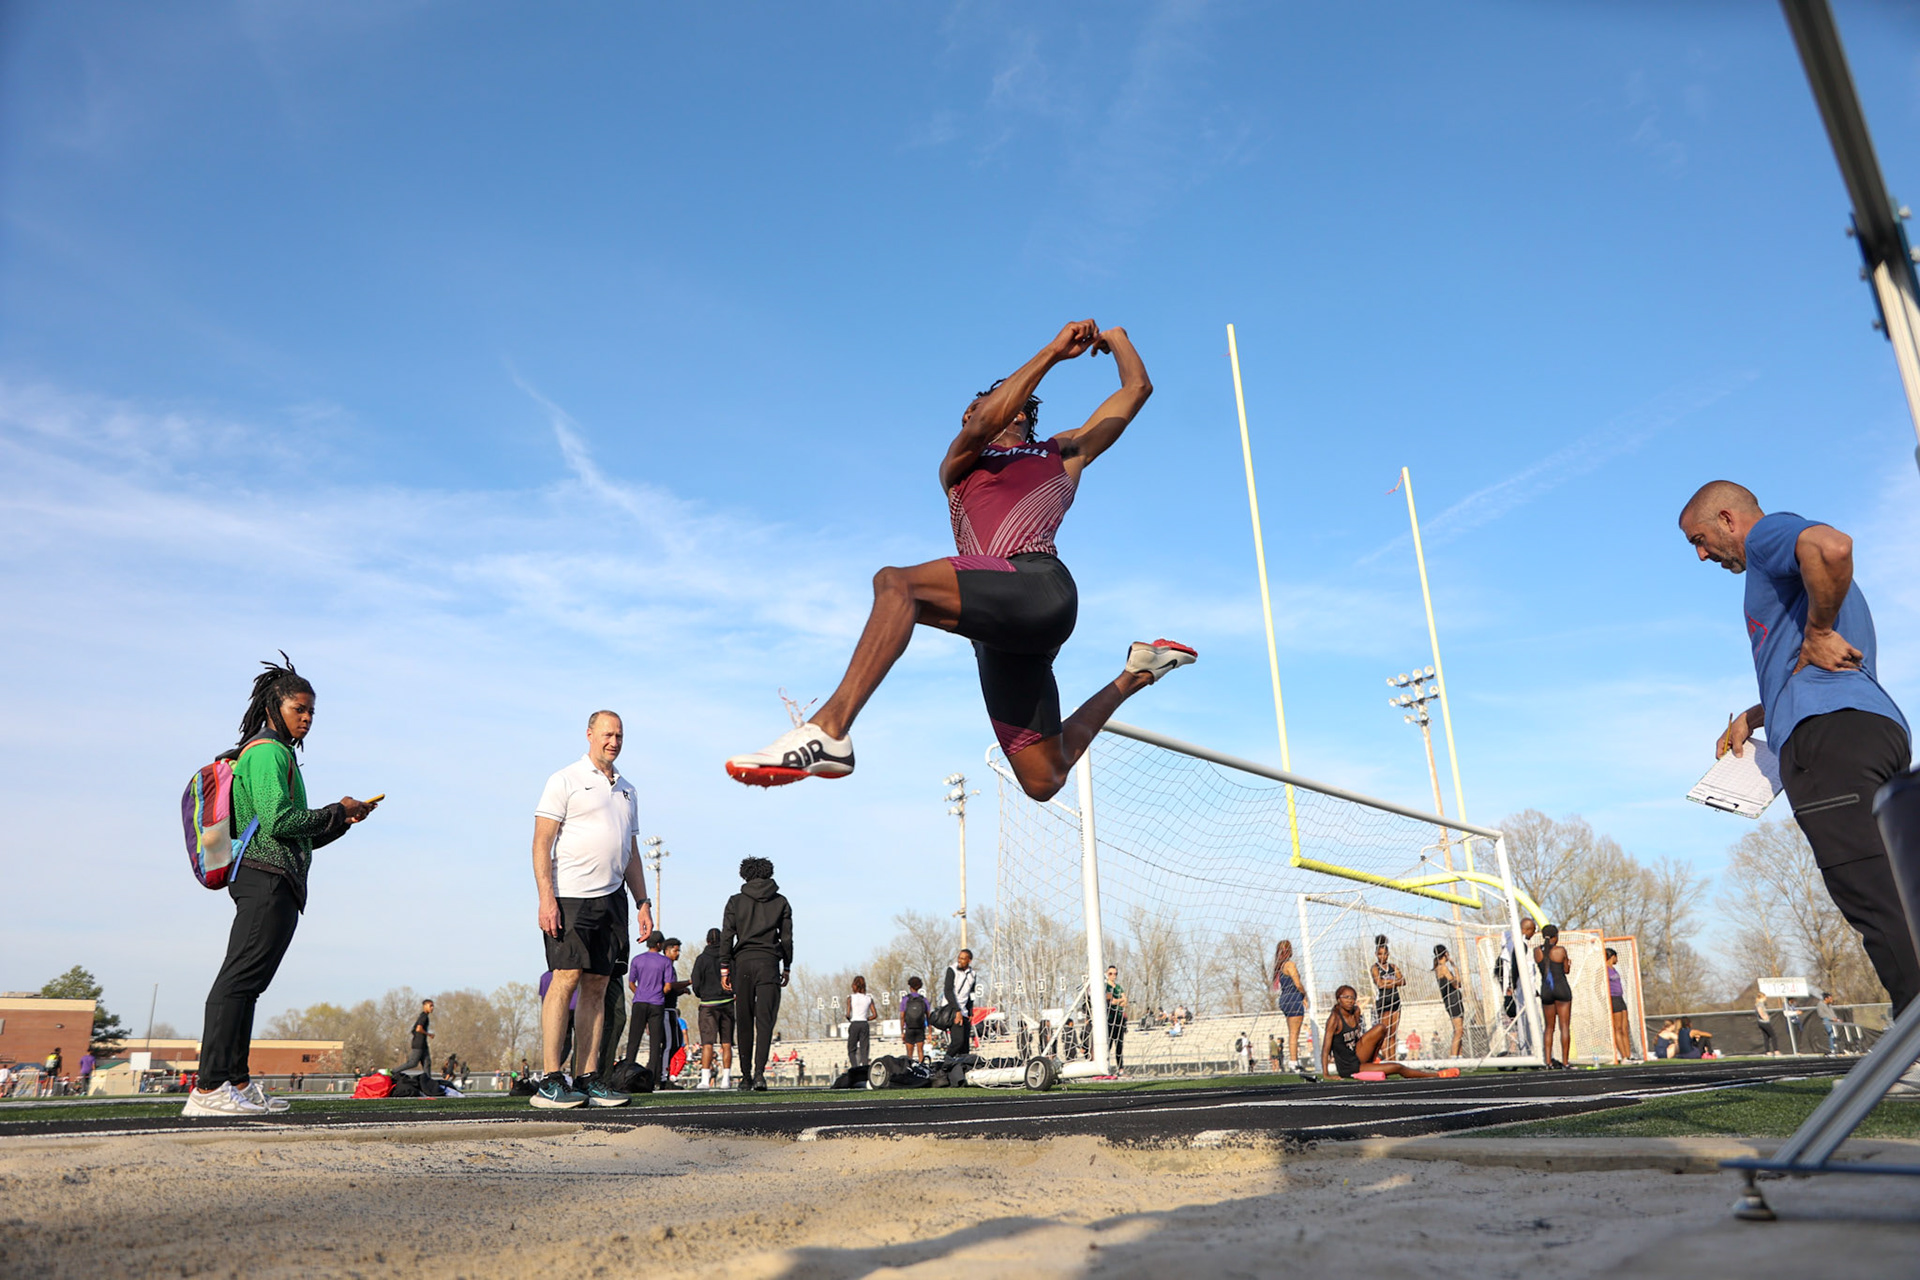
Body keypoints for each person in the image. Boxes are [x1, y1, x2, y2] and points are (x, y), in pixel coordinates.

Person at [725, 320, 1196, 803]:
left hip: (1039, 587)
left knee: (896, 584)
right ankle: (1139, 671)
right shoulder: (962, 464)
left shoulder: (1062, 451)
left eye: (990, 407)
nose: (974, 415)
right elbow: (981, 426)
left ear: (1022, 415)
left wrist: (1114, 337)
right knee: (1043, 780)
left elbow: (1137, 388)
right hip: (995, 633)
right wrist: (1052, 353)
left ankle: (829, 729)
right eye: (971, 411)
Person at [1680, 482, 1920, 1016]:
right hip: (1869, 729)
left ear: (1727, 518)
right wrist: (1758, 714)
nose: (1700, 554)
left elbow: (1832, 546)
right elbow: (1809, 666)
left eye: (1699, 539)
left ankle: (1915, 1043)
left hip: (1828, 737)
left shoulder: (1768, 536)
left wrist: (1817, 630)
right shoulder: (1786, 575)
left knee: (1872, 893)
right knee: (1901, 886)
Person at [186, 656, 378, 1118]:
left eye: (312, 711)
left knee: (248, 985)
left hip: (276, 877)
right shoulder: (267, 751)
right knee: (237, 981)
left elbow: (296, 833)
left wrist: (343, 820)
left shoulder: (281, 753)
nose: (307, 718)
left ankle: (236, 1082)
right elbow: (277, 820)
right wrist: (337, 807)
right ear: (275, 707)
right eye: (299, 709)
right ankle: (209, 1088)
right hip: (263, 878)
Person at [530, 710, 655, 1110]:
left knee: (598, 987)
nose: (613, 741)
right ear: (589, 735)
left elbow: (631, 851)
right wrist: (546, 897)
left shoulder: (628, 789)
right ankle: (551, 1080)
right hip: (569, 896)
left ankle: (587, 1078)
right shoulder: (564, 780)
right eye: (606, 734)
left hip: (612, 900)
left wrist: (642, 902)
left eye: (619, 735)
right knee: (564, 978)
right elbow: (540, 844)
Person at [718, 856, 792, 1092]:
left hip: (743, 964)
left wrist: (724, 966)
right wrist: (787, 964)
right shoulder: (781, 901)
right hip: (769, 963)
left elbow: (727, 935)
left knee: (745, 1021)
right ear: (769, 873)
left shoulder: (735, 902)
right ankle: (760, 1074)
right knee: (765, 1021)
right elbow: (787, 938)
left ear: (745, 874)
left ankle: (746, 1076)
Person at [1321, 986, 1454, 1081]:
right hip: (1350, 1067)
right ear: (1338, 999)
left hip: (1357, 1054)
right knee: (1397, 1067)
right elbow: (1326, 1048)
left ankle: (1374, 1060)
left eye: (1353, 997)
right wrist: (1326, 1074)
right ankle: (1437, 1075)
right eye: (1346, 997)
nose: (1350, 1000)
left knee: (1381, 1027)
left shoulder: (1356, 1011)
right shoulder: (1334, 1019)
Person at [627, 931, 676, 1085]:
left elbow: (631, 983)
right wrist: (658, 994)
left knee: (633, 1040)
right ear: (659, 945)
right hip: (657, 1004)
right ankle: (653, 1078)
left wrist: (641, 993)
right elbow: (668, 986)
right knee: (655, 1043)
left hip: (639, 1002)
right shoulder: (665, 962)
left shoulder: (637, 959)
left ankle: (626, 1074)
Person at [691, 927, 735, 1090]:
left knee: (707, 1044)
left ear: (707, 941)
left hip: (708, 1004)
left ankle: (705, 1079)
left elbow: (695, 981)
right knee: (727, 1043)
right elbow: (735, 977)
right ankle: (726, 1080)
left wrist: (702, 994)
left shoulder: (701, 959)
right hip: (727, 1002)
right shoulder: (729, 958)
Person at [1536, 924, 1574, 1068]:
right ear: (1556, 937)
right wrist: (1568, 964)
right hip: (1561, 989)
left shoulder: (1537, 951)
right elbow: (1565, 970)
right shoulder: (1560, 950)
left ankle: (1548, 1062)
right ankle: (1565, 1062)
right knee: (1564, 1026)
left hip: (1546, 990)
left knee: (1549, 1027)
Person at [1271, 940, 1309, 1071]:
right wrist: (1305, 995)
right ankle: (1294, 1063)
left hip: (1285, 999)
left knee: (1292, 1033)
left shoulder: (1280, 967)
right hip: (1293, 998)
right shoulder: (1290, 965)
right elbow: (1297, 984)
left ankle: (1294, 1061)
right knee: (1294, 1033)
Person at [1370, 936, 1404, 1061]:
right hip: (1383, 1002)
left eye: (1384, 954)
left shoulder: (1393, 967)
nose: (1382, 957)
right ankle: (1387, 1059)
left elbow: (1403, 981)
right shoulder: (1375, 968)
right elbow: (1379, 983)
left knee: (1393, 1033)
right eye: (1379, 954)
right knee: (1385, 1032)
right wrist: (1394, 981)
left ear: (1388, 954)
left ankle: (1393, 1059)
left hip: (1395, 1000)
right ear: (1376, 954)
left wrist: (1388, 981)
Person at [941, 949, 978, 1057]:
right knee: (958, 1041)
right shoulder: (952, 970)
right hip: (952, 1009)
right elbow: (948, 991)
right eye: (959, 958)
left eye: (963, 959)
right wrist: (957, 1010)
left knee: (965, 1045)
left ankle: (962, 1067)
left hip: (964, 1010)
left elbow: (972, 993)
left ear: (969, 960)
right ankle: (945, 1064)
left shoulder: (973, 974)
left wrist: (970, 1010)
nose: (959, 961)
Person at [1434, 944, 1466, 1059]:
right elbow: (1456, 984)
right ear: (1445, 954)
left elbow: (1458, 984)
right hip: (1452, 1000)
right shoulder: (1442, 968)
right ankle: (1453, 1057)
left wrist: (1455, 968)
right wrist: (1455, 971)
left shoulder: (1441, 967)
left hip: (1454, 999)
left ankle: (1459, 1056)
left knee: (1459, 1030)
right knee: (1458, 1030)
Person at [1602, 949, 1631, 1065]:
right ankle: (1623, 1056)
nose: (1617, 959)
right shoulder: (1604, 970)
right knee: (1617, 1028)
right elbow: (1596, 985)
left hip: (1620, 998)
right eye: (1616, 957)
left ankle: (1628, 1056)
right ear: (1612, 957)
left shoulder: (1614, 969)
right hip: (1613, 999)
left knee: (1625, 1028)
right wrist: (1603, 1000)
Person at [394, 999, 435, 1076]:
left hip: (423, 1045)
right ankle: (394, 1071)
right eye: (430, 1006)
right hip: (418, 1044)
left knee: (427, 1063)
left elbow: (413, 1030)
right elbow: (418, 1029)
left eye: (433, 1006)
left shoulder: (425, 1016)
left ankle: (428, 1082)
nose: (432, 1008)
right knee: (412, 1063)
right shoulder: (423, 1016)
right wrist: (428, 1034)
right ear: (425, 1006)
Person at [845, 975, 876, 1071]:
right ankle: (865, 1069)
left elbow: (847, 1014)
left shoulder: (851, 998)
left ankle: (855, 1068)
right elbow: (875, 1015)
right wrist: (867, 1018)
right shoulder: (868, 998)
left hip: (854, 1023)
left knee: (851, 1049)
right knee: (864, 1049)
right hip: (864, 1024)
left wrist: (849, 1017)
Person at [900, 977, 931, 1063]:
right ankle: (921, 1068)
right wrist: (930, 1032)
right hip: (920, 1028)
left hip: (909, 1028)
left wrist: (902, 1031)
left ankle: (909, 1069)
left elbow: (902, 1016)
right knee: (920, 1051)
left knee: (909, 1053)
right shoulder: (923, 1000)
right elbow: (928, 1016)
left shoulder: (905, 1000)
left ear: (910, 986)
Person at [1104, 966, 1128, 1071]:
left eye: (1115, 974)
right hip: (1110, 1019)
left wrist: (1118, 1000)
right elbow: (1111, 1001)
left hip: (1119, 1019)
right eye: (1111, 973)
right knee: (1108, 1045)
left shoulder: (1118, 987)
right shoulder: (1105, 987)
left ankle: (1121, 1068)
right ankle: (1105, 1067)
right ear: (1107, 974)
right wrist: (1120, 1000)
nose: (1113, 976)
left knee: (1119, 1045)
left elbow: (1125, 1001)